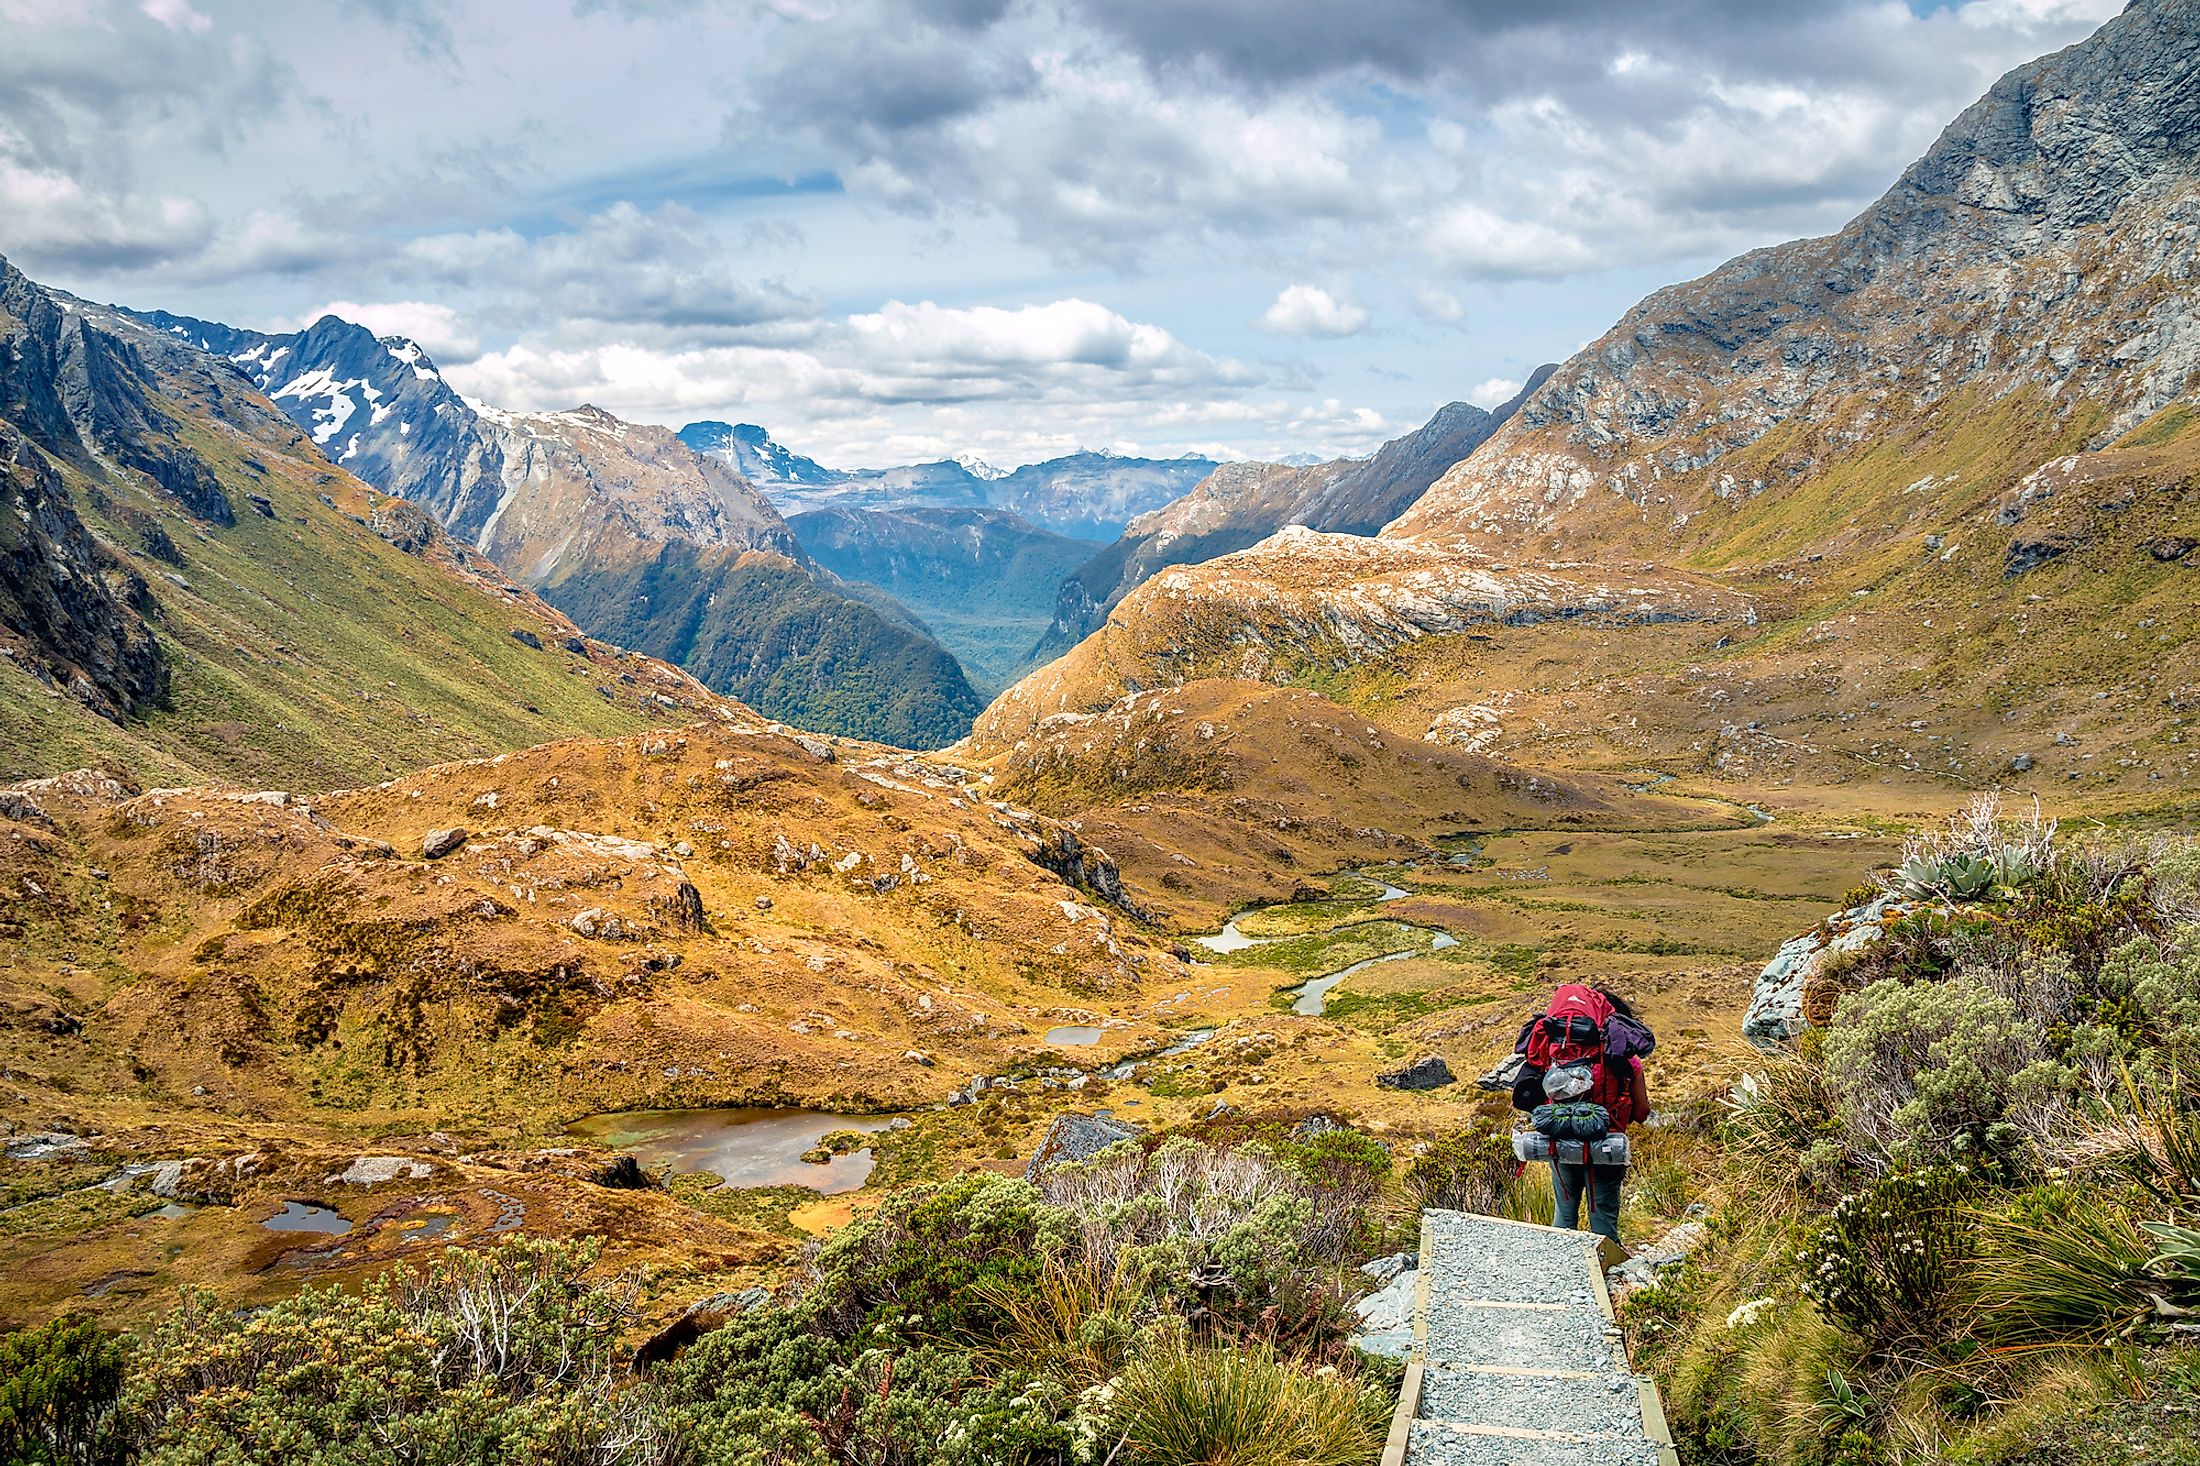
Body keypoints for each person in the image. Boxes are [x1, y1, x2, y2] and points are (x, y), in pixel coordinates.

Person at [1510, 983, 1652, 1244]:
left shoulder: (1558, 1051)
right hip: (1607, 1146)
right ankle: (1606, 1272)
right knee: (1603, 1220)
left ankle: (1559, 1270)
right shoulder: (1626, 1059)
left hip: (1560, 1141)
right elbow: (1642, 1112)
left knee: (1564, 1217)